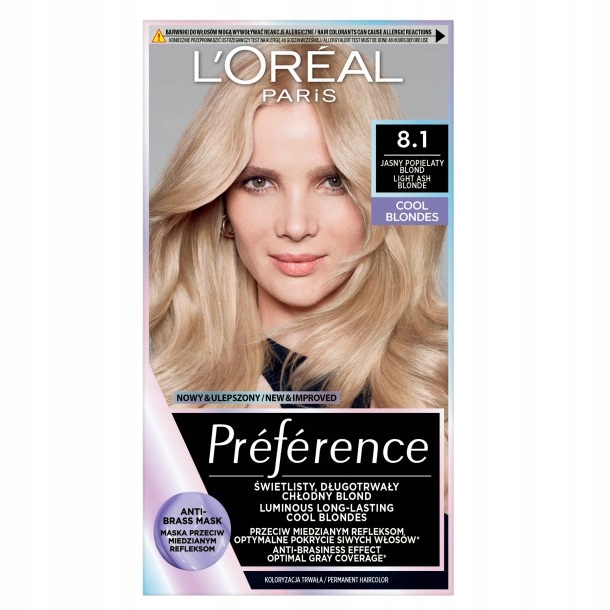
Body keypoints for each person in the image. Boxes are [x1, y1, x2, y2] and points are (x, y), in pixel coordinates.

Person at [149, 43, 447, 414]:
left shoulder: (444, 383)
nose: (295, 226)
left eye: (334, 182)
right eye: (259, 182)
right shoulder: (161, 403)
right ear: (222, 205)